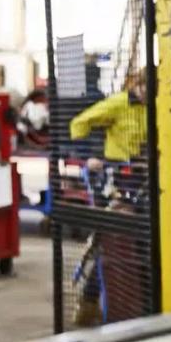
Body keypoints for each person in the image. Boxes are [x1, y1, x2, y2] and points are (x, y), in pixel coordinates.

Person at [68, 73, 150, 326]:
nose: (150, 92)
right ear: (136, 85)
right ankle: (90, 301)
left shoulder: (158, 108)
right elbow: (79, 124)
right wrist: (92, 155)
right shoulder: (117, 104)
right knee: (110, 241)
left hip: (144, 177)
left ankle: (145, 301)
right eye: (147, 86)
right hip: (118, 178)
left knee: (143, 241)